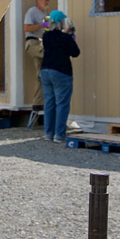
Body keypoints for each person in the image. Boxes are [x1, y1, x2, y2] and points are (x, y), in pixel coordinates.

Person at [39, 9, 80, 142]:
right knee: (62, 103)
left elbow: (54, 39)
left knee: (49, 103)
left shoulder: (46, 36)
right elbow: (75, 52)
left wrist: (66, 35)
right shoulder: (65, 38)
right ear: (62, 22)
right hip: (61, 72)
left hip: (45, 70)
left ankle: (48, 134)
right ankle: (59, 135)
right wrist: (70, 36)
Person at [23, 0, 53, 107]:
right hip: (33, 43)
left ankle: (38, 103)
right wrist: (42, 25)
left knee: (42, 74)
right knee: (51, 55)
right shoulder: (32, 12)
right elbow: (27, 29)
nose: (47, 1)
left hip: (41, 43)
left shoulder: (45, 12)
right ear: (38, 0)